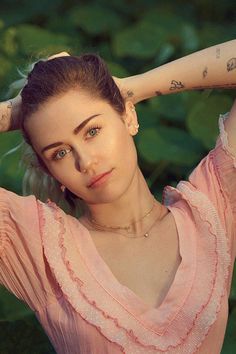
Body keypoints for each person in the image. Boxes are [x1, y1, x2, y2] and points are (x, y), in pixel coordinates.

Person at [0, 39, 235, 354]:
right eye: (59, 153)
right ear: (49, 171)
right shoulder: (35, 246)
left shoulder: (210, 210)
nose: (85, 161)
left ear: (127, 116)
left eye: (92, 131)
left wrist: (131, 87)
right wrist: (10, 114)